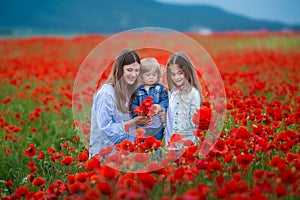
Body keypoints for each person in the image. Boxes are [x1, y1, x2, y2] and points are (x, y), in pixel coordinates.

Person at [89, 49, 153, 158]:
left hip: (126, 155)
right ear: (120, 70)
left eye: (137, 70)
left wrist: (144, 119)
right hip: (105, 156)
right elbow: (105, 129)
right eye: (129, 70)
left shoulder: (130, 91)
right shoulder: (106, 94)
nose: (133, 74)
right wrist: (132, 122)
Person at [165, 52, 202, 149]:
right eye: (173, 74)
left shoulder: (193, 93)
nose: (176, 77)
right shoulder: (173, 93)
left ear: (188, 71)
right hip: (171, 145)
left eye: (180, 73)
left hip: (186, 145)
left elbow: (195, 121)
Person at [130, 58, 169, 141]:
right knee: (142, 145)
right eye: (148, 75)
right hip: (142, 125)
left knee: (157, 145)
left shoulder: (160, 88)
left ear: (158, 75)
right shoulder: (138, 90)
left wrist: (159, 107)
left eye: (154, 75)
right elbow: (133, 104)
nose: (151, 77)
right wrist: (138, 110)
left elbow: (165, 100)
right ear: (141, 76)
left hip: (157, 125)